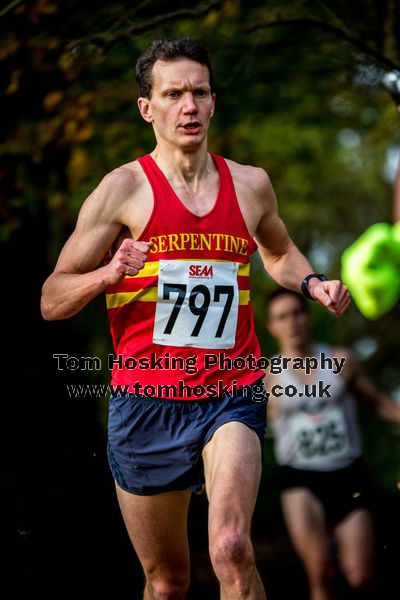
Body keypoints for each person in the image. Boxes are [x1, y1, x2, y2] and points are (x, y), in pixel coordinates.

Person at [41, 37, 350, 600]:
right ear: (147, 107)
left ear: (213, 102)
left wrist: (312, 283)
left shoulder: (250, 184)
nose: (189, 105)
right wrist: (106, 277)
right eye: (174, 93)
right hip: (146, 400)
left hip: (229, 390)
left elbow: (278, 253)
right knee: (166, 583)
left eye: (199, 92)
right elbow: (52, 298)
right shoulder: (121, 190)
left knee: (232, 549)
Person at [265, 288, 400, 600]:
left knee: (360, 576)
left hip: (348, 474)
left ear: (308, 316)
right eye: (282, 317)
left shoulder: (341, 360)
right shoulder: (267, 377)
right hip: (299, 479)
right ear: (272, 326)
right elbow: (246, 428)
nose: (292, 322)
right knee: (320, 573)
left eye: (297, 313)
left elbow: (378, 403)